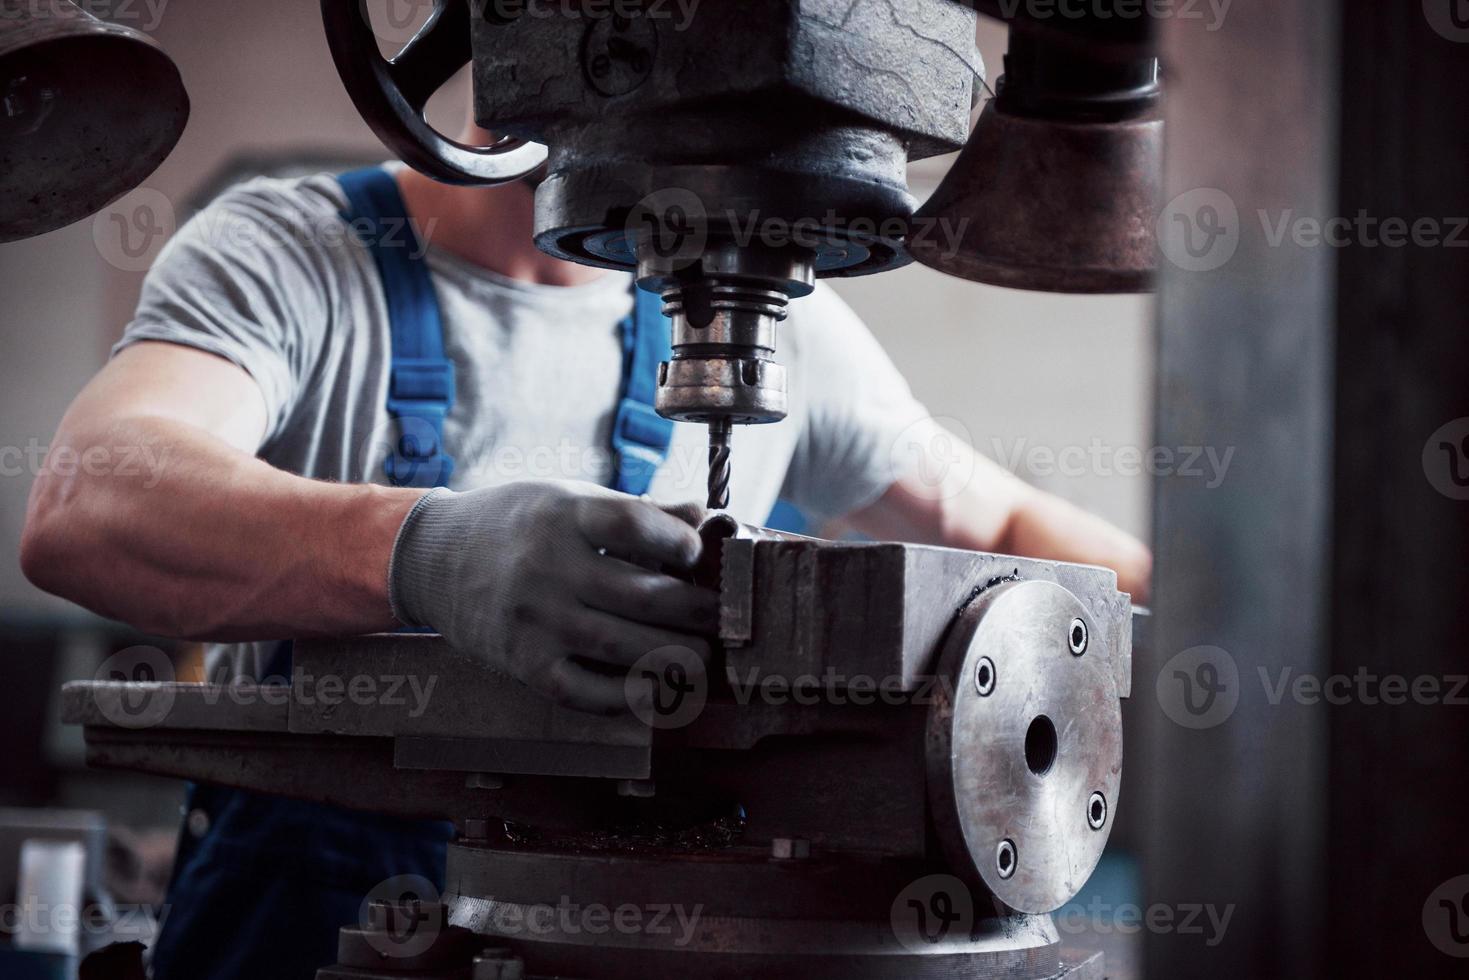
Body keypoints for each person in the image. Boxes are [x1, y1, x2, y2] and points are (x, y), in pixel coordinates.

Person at [20, 121, 1150, 978]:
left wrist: (1226, 616)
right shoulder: (298, 252)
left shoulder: (778, 318)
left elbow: (997, 526)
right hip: (311, 908)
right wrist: (423, 550)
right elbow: (86, 505)